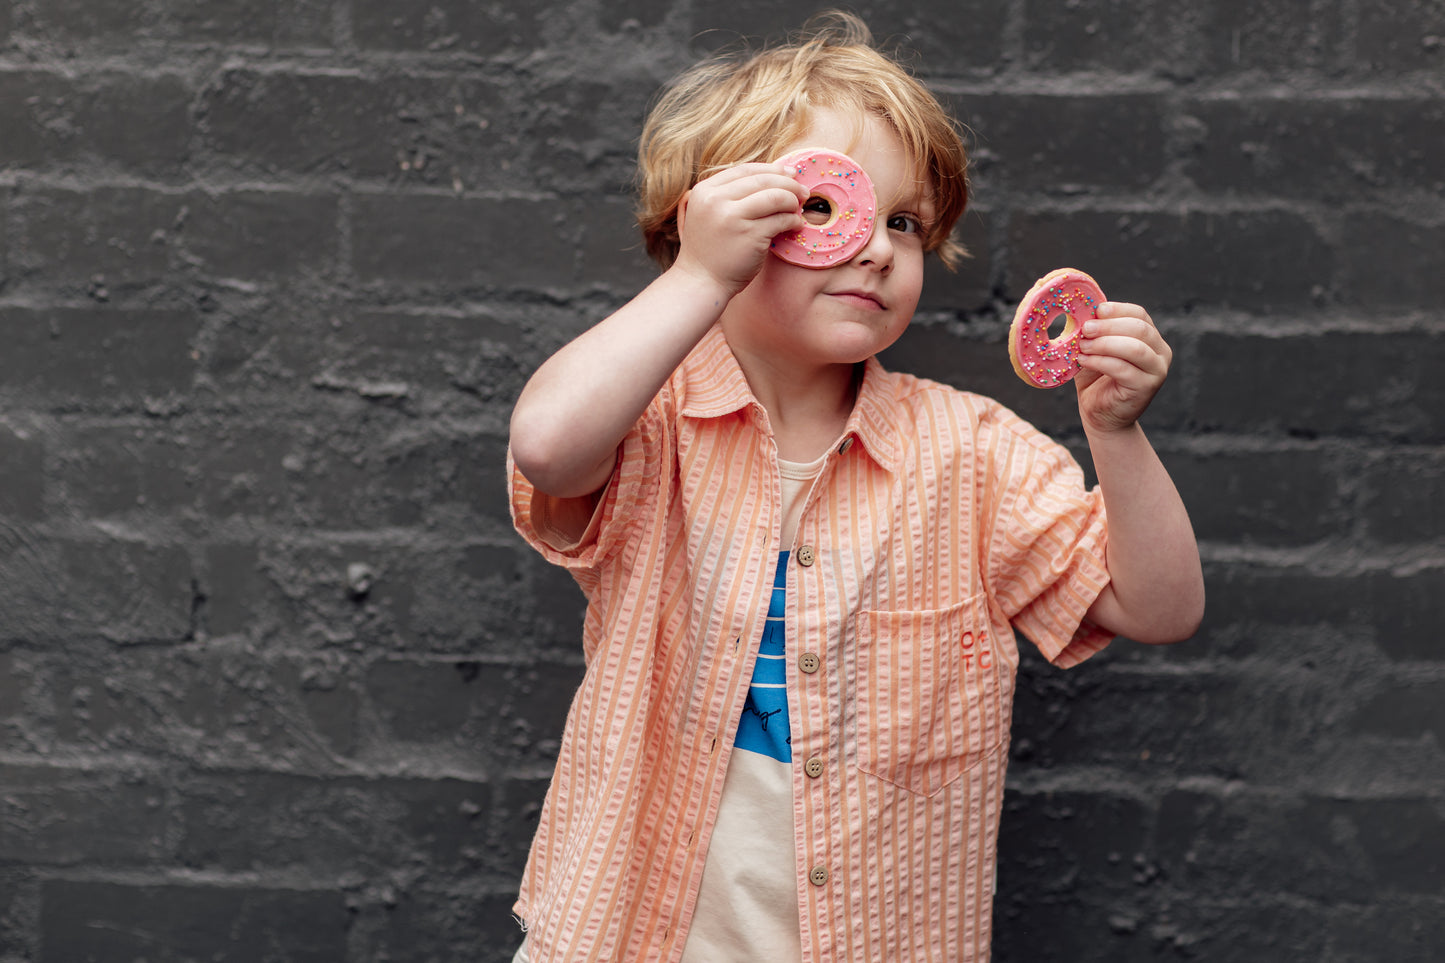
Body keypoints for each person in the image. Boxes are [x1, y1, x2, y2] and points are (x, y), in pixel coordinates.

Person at [505, 11, 1204, 962]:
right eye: (829, 209)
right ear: (716, 223)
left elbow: (1155, 606)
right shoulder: (648, 423)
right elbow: (547, 446)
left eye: (908, 222)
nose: (878, 247)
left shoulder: (971, 453)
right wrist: (700, 274)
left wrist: (1115, 435)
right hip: (633, 929)